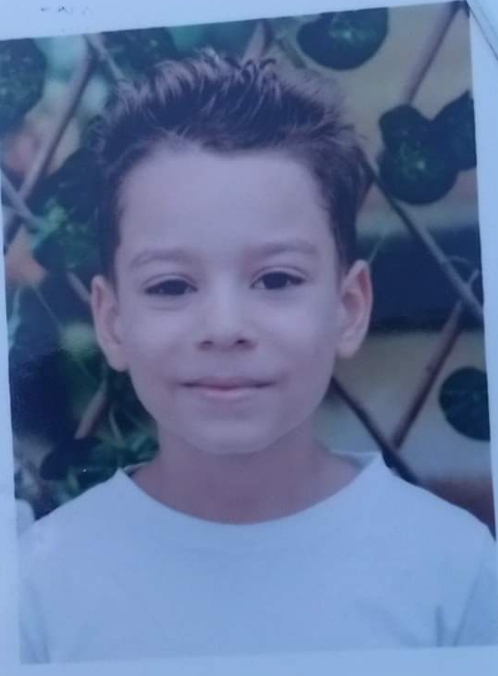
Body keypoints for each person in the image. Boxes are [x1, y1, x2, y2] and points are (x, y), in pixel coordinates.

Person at [18, 50, 498, 663]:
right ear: (112, 322)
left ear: (348, 308)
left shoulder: (453, 570)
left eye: (275, 279)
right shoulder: (39, 589)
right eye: (172, 285)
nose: (224, 329)